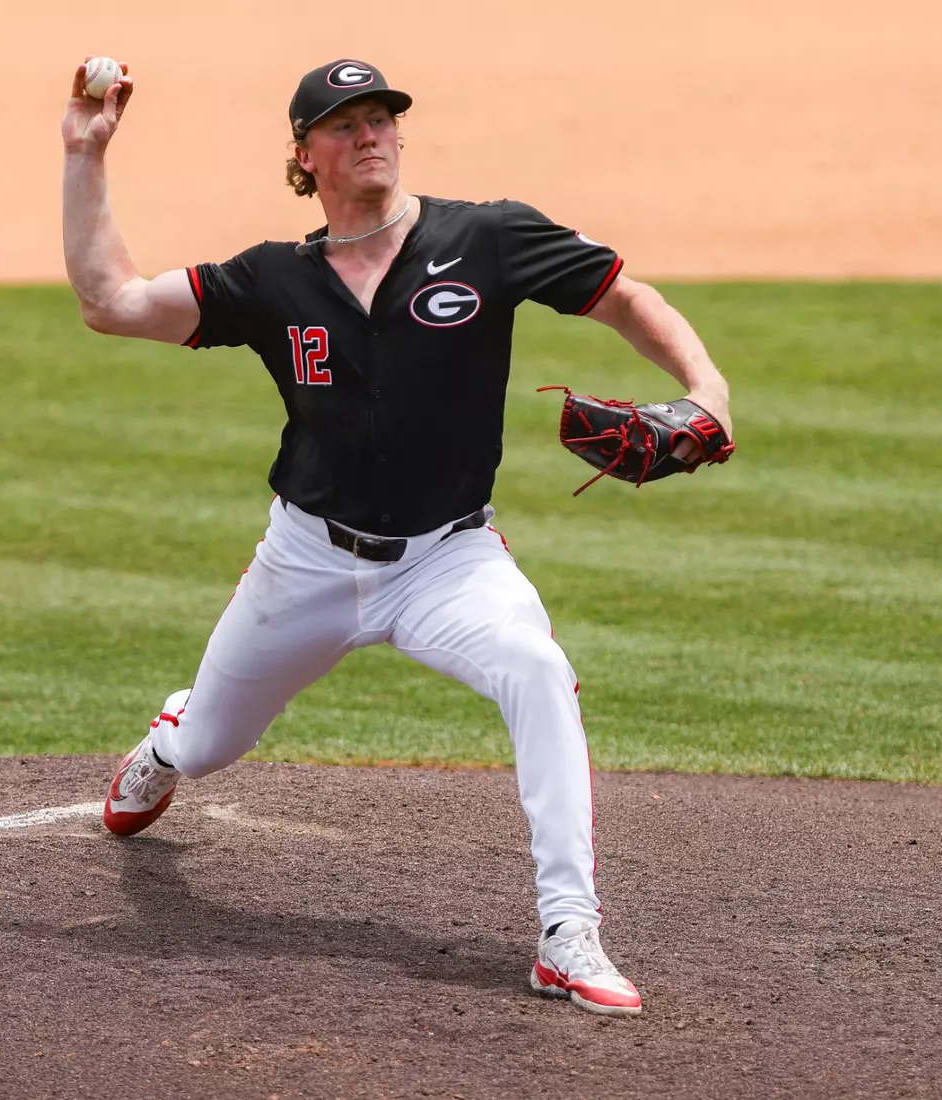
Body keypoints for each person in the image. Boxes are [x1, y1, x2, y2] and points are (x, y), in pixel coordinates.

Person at [59, 56, 732, 1019]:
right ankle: (169, 740)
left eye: (381, 117)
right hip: (306, 561)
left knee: (537, 670)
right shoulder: (270, 281)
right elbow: (110, 305)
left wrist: (706, 388)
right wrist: (86, 154)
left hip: (450, 560)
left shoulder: (487, 236)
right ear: (304, 156)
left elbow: (625, 295)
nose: (369, 133)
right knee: (210, 741)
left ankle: (567, 932)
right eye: (343, 123)